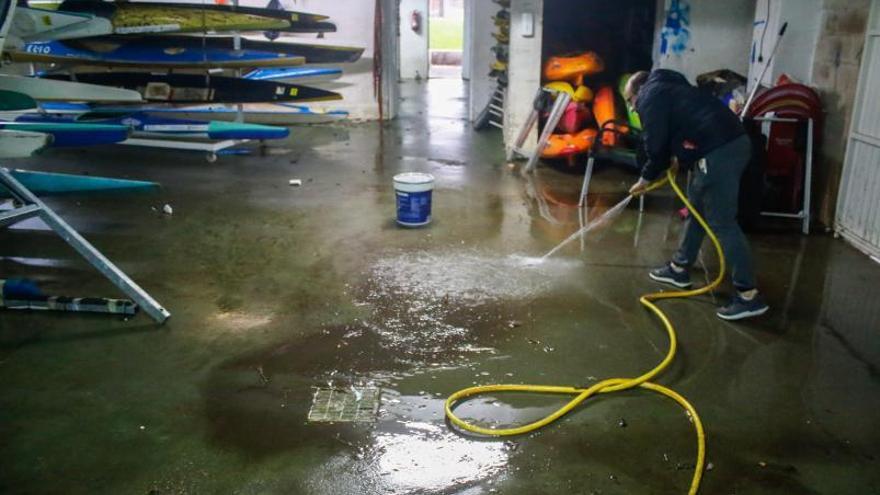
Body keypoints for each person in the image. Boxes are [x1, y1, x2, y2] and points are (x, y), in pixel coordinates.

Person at [624, 69, 769, 321]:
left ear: (638, 91)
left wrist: (644, 178)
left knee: (722, 222)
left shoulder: (650, 96)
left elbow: (655, 146)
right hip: (727, 145)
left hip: (719, 151)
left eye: (630, 101)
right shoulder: (670, 89)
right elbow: (678, 128)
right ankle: (679, 267)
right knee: (697, 209)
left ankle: (749, 295)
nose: (633, 108)